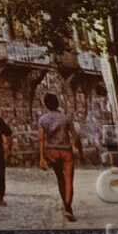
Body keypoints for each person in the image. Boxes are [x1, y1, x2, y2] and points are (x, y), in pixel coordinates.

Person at [38, 92, 82, 221]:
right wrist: (78, 149)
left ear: (46, 105)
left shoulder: (43, 120)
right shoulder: (66, 118)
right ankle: (68, 207)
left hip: (52, 152)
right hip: (66, 151)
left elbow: (41, 139)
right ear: (57, 103)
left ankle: (65, 203)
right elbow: (75, 136)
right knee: (69, 179)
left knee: (60, 179)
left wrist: (41, 157)